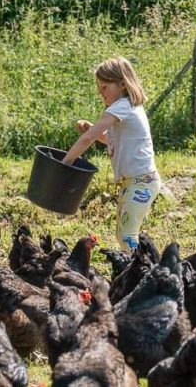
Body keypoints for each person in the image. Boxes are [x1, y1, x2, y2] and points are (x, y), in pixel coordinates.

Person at [63, 56, 161, 250]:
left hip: (141, 182)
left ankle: (142, 273)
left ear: (122, 84)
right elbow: (110, 140)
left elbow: (87, 139)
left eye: (105, 87)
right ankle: (142, 270)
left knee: (127, 236)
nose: (101, 93)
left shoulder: (123, 107)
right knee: (123, 234)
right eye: (99, 88)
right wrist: (94, 129)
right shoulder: (128, 109)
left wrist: (66, 162)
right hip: (133, 182)